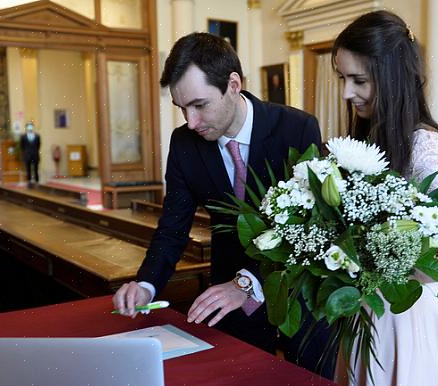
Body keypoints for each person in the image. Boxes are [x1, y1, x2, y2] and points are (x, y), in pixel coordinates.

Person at [111, 32, 335, 378]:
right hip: (227, 299)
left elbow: (312, 227)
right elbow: (173, 227)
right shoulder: (184, 142)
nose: (191, 121)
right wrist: (147, 284)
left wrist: (247, 283)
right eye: (182, 108)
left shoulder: (296, 127)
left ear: (233, 84)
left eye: (200, 105)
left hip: (298, 293)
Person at [333, 10, 438, 385]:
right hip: (365, 313)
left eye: (359, 80)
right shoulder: (369, 136)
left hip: (404, 318)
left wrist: (394, 273)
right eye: (342, 78)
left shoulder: (423, 146)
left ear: (392, 79)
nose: (346, 92)